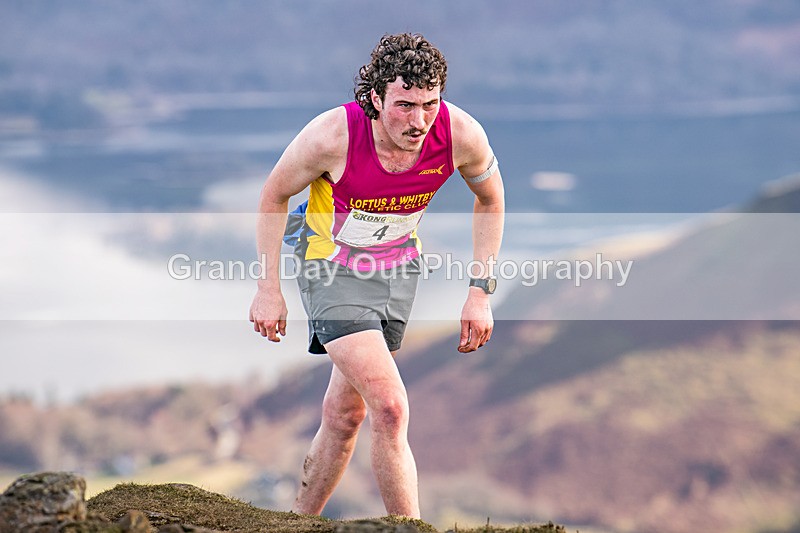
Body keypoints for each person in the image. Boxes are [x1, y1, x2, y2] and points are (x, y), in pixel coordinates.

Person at [249, 32, 504, 519]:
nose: (419, 121)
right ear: (374, 97)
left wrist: (480, 292)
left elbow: (491, 199)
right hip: (330, 267)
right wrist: (268, 289)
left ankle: (297, 524)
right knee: (390, 405)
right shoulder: (331, 136)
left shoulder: (462, 135)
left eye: (430, 104)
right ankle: (408, 529)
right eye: (405, 105)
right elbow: (273, 196)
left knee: (346, 415)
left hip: (397, 269)